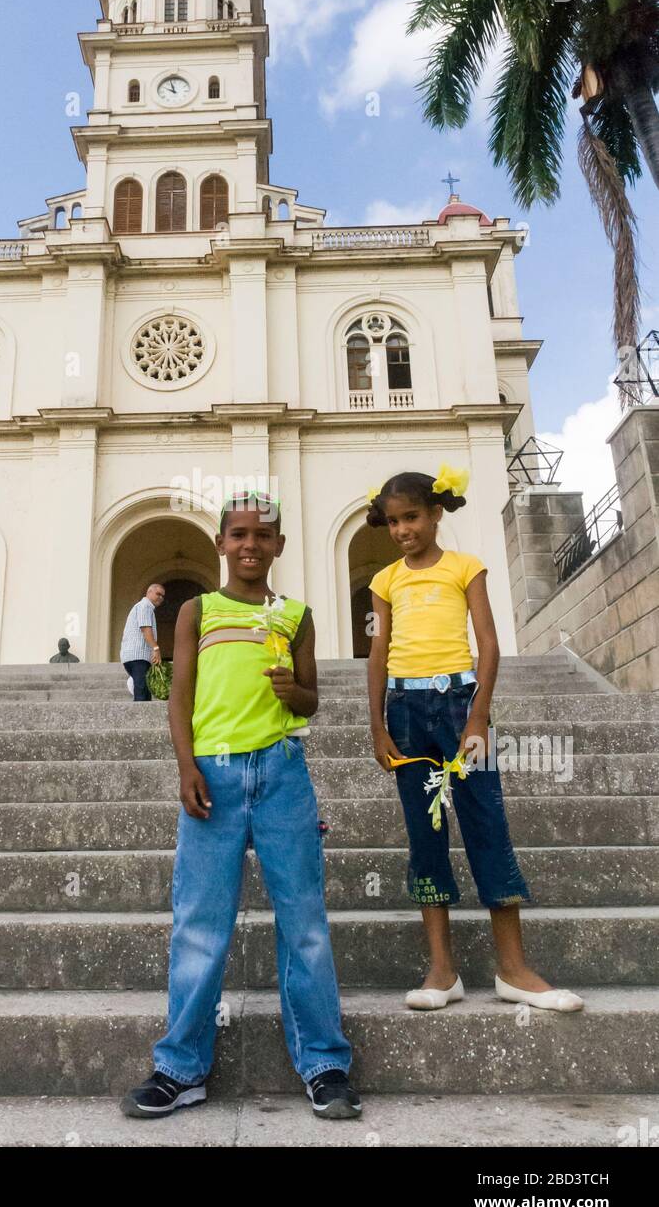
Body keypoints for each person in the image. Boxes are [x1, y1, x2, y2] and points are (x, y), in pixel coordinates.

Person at [121, 491, 359, 1121]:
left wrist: (295, 689)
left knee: (303, 922)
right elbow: (178, 698)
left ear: (279, 545)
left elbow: (310, 703)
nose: (250, 544)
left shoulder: (297, 615)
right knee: (199, 925)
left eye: (263, 534)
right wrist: (185, 767)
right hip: (214, 779)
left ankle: (325, 1064)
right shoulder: (197, 610)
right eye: (238, 534)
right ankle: (180, 1068)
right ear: (221, 544)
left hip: (283, 773)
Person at [367, 466, 584, 1013]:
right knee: (425, 834)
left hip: (461, 704)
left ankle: (513, 969)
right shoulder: (385, 580)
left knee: (487, 822)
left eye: (411, 517)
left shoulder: (466, 568)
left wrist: (478, 715)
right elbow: (378, 651)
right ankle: (443, 971)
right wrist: (377, 725)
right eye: (393, 521)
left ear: (435, 513)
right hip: (406, 712)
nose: (402, 530)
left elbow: (487, 642)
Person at [119, 583, 165, 702]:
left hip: (135, 656)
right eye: (158, 594)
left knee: (144, 690)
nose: (160, 597)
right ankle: (139, 718)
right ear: (149, 592)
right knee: (141, 692)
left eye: (162, 596)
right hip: (137, 656)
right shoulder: (145, 606)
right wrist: (156, 648)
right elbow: (145, 628)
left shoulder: (143, 607)